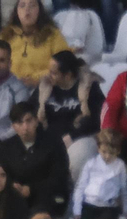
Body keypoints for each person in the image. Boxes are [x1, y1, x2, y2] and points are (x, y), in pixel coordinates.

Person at [39, 50, 104, 182]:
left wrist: (73, 135)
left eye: (54, 73)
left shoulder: (89, 88)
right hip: (51, 137)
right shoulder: (46, 87)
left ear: (67, 75)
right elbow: (32, 110)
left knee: (78, 157)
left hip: (80, 137)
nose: (49, 76)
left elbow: (98, 118)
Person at [0, 102, 69, 217]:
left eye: (28, 121)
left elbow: (59, 177)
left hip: (46, 195)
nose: (25, 127)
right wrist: (12, 186)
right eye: (19, 122)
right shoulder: (5, 147)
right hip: (14, 195)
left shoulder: (54, 144)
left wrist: (32, 189)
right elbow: (1, 173)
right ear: (13, 126)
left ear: (36, 121)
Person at [0, 0, 67, 87]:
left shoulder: (53, 35)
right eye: (22, 6)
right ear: (16, 11)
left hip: (43, 88)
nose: (27, 10)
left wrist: (37, 79)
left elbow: (63, 64)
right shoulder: (6, 35)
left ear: (40, 10)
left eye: (32, 6)